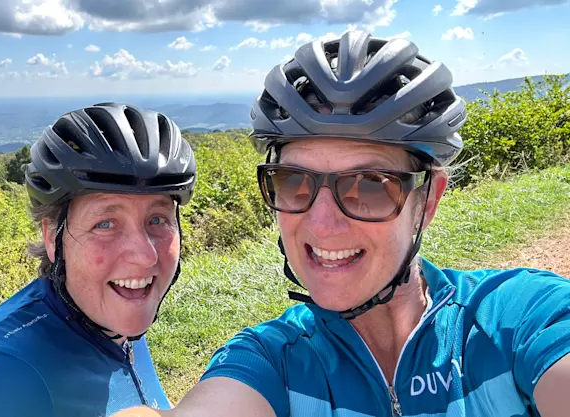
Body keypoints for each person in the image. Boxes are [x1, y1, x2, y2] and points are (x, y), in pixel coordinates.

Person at [113, 30, 570, 417]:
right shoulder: (272, 361)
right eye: (293, 181)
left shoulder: (519, 318)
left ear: (427, 200)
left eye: (370, 184)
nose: (323, 224)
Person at [0, 102, 197, 416]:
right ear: (52, 237)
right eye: (105, 224)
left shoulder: (109, 312)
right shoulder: (1, 373)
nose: (145, 256)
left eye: (158, 220)